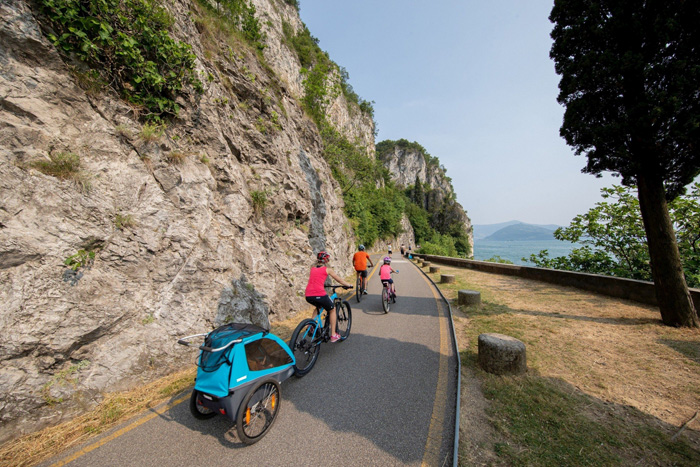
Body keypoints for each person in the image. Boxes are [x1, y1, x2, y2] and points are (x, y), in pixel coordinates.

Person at [305, 251, 353, 342]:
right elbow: (340, 280)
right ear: (326, 259)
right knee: (332, 309)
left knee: (318, 306)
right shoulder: (327, 269)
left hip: (308, 295)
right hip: (319, 294)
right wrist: (348, 285)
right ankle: (333, 335)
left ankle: (310, 326)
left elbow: (316, 280)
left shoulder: (312, 268)